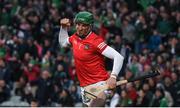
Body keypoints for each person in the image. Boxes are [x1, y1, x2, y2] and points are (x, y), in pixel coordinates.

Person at [59, 11, 124, 107]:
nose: (80, 28)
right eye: (78, 24)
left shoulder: (95, 41)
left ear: (90, 26)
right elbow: (63, 43)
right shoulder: (75, 37)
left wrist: (113, 76)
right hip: (85, 87)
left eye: (83, 25)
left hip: (100, 85)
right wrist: (63, 28)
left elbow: (118, 57)